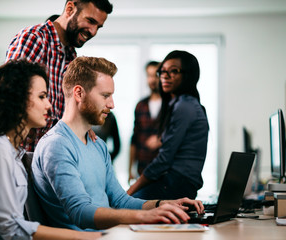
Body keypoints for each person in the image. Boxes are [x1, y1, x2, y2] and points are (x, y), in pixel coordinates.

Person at [32, 56, 204, 231]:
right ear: (79, 93)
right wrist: (146, 216)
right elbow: (80, 212)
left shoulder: (97, 145)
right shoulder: (57, 145)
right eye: (105, 95)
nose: (111, 104)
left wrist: (164, 204)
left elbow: (121, 201)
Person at [0, 59, 101, 240]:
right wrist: (85, 237)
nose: (49, 105)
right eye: (42, 97)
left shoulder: (14, 153)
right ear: (17, 99)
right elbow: (12, 229)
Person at [5, 0, 113, 151]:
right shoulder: (35, 39)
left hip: (50, 155)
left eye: (98, 27)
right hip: (22, 153)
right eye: (90, 21)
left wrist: (82, 123)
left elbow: (63, 112)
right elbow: (10, 99)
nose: (93, 32)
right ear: (70, 9)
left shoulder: (71, 56)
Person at [127, 50, 209, 200]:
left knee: (123, 206)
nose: (165, 76)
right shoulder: (179, 104)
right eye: (162, 72)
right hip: (173, 182)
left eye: (174, 71)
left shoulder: (184, 106)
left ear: (188, 75)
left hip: (176, 184)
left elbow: (164, 159)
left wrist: (130, 191)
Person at [128, 61, 162, 182]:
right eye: (149, 75)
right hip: (142, 169)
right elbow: (134, 138)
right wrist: (130, 170)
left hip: (164, 171)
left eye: (156, 75)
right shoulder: (141, 105)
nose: (152, 80)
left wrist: (161, 140)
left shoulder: (172, 106)